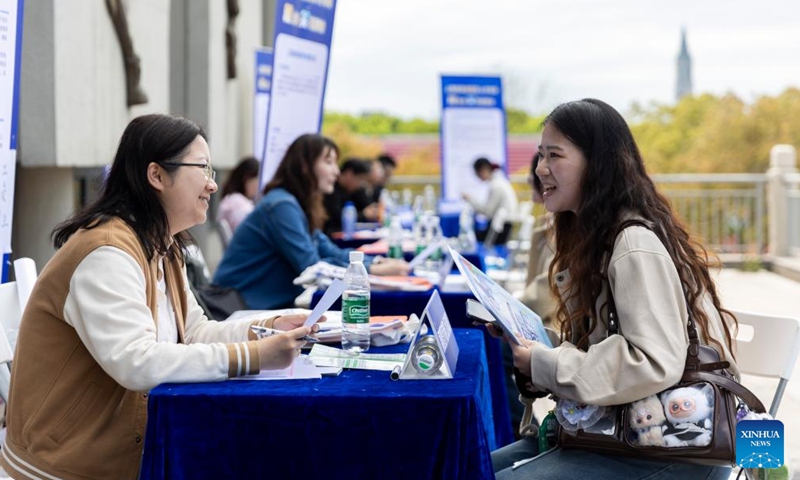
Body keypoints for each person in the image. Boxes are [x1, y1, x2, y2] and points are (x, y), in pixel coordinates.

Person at [0, 114, 318, 480]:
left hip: (123, 456)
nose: (213, 185)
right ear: (156, 176)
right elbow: (138, 362)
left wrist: (268, 328)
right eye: (202, 169)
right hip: (64, 467)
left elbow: (195, 331)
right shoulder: (106, 252)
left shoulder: (162, 246)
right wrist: (253, 356)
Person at [490, 99, 738, 480]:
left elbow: (652, 361)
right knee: (470, 466)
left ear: (598, 164)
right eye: (541, 156)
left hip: (675, 448)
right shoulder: (597, 239)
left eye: (554, 155)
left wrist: (547, 363)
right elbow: (609, 346)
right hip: (620, 433)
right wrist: (536, 349)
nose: (541, 169)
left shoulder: (632, 244)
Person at [214, 134, 409, 310]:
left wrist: (374, 261)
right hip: (242, 308)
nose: (336, 171)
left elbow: (330, 250)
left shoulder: (296, 204)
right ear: (304, 167)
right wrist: (372, 270)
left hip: (266, 307)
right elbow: (311, 266)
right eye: (329, 162)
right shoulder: (281, 205)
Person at [519, 152, 557, 322]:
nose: (539, 171)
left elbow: (547, 290)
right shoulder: (550, 222)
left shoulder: (563, 229)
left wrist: (509, 310)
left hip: (548, 332)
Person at [462, 157, 518, 244]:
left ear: (482, 170)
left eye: (477, 173)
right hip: (503, 226)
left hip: (501, 229)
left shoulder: (496, 185)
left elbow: (488, 212)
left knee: (470, 238)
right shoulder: (499, 182)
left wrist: (470, 200)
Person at [322, 158, 371, 235]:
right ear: (349, 174)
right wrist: (364, 215)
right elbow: (338, 218)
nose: (360, 184)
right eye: (360, 179)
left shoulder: (347, 190)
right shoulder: (331, 189)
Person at [217, 155, 260, 233]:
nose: (259, 187)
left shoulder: (231, 199)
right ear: (247, 179)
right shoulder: (238, 203)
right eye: (257, 182)